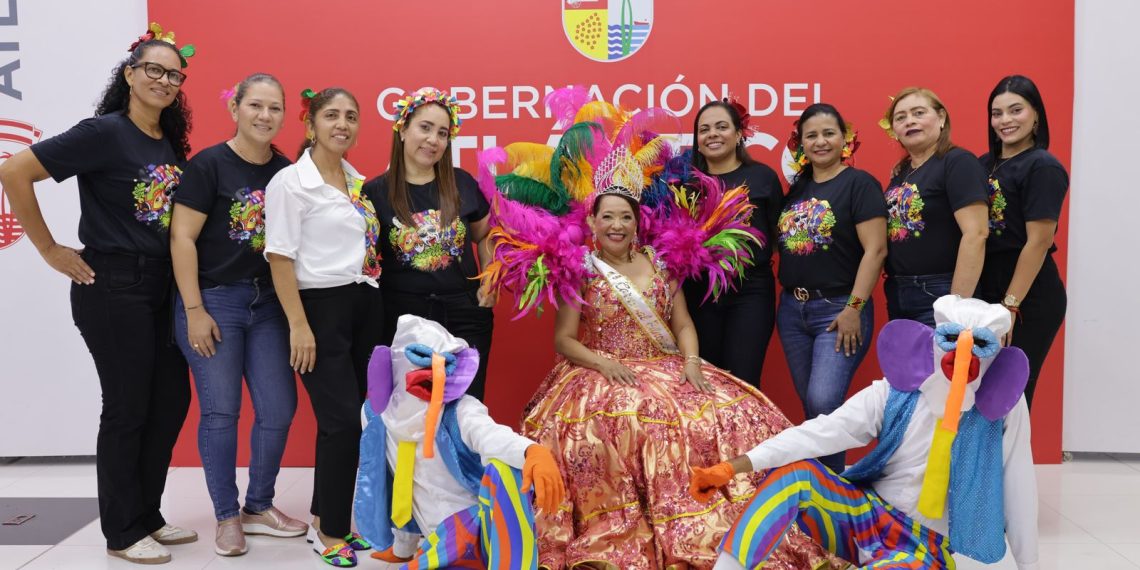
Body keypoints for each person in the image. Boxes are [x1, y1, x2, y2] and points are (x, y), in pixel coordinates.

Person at [477, 90, 836, 569]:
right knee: (628, 417)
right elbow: (563, 340)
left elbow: (683, 323)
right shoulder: (579, 269)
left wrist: (692, 363)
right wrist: (603, 362)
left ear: (637, 223)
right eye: (608, 216)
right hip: (599, 371)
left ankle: (748, 522)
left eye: (626, 216)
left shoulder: (662, 264)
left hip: (667, 364)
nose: (617, 224)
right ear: (594, 222)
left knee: (732, 415)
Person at [0, 23, 197, 564]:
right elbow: (14, 170)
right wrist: (49, 250)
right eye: (152, 69)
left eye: (173, 74)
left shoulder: (165, 142)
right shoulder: (104, 132)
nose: (162, 79)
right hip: (113, 286)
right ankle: (121, 530)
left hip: (161, 288)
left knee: (168, 403)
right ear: (129, 75)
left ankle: (147, 516)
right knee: (129, 406)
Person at [690, 296, 1040, 570]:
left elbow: (1018, 484)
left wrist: (1030, 565)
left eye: (978, 345)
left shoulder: (1004, 407)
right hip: (863, 515)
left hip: (924, 546)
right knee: (798, 476)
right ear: (934, 340)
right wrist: (735, 466)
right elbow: (823, 431)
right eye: (951, 341)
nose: (962, 358)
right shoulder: (895, 390)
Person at [169, 73, 305, 557]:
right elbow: (182, 238)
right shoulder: (209, 166)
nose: (265, 116)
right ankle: (227, 516)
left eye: (275, 108)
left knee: (278, 409)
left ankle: (258, 505)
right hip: (214, 300)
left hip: (267, 303)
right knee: (222, 411)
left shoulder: (287, 172)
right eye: (256, 106)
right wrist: (193, 310)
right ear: (236, 109)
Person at [264, 87, 382, 567]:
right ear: (310, 123)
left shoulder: (357, 182)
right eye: (331, 115)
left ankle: (324, 517)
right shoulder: (291, 182)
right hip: (318, 308)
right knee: (338, 423)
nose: (343, 124)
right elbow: (279, 256)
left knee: (354, 420)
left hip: (364, 304)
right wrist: (299, 325)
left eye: (351, 116)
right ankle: (331, 532)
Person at [363, 88, 496, 401]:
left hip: (465, 313)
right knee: (409, 413)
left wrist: (490, 275)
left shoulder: (462, 183)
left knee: (466, 411)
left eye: (442, 133)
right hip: (402, 318)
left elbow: (486, 235)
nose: (433, 140)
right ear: (403, 128)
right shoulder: (374, 193)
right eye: (425, 128)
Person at [776, 103, 888, 473]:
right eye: (811, 135)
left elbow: (876, 250)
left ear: (845, 139)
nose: (820, 141)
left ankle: (833, 491)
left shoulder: (859, 184)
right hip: (793, 311)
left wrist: (854, 307)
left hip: (838, 308)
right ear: (800, 144)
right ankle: (822, 488)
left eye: (829, 133)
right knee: (813, 408)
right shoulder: (797, 190)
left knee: (824, 401)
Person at [976, 74, 1068, 408]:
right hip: (987, 291)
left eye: (1016, 110)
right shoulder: (982, 164)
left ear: (1036, 116)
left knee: (1009, 400)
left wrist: (1010, 306)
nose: (1005, 121)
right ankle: (983, 463)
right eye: (997, 113)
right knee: (977, 397)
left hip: (1028, 297)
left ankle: (1009, 463)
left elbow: (1038, 243)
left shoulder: (1042, 166)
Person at [685, 98, 783, 387]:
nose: (712, 134)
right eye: (704, 130)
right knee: (704, 384)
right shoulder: (685, 183)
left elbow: (779, 235)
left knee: (744, 382)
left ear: (739, 134)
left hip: (750, 293)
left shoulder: (762, 177)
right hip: (698, 294)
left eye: (721, 127)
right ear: (697, 141)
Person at [881, 87, 989, 325]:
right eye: (900, 118)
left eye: (919, 113)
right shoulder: (902, 173)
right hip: (899, 292)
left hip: (941, 291)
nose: (910, 121)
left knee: (943, 364)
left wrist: (956, 306)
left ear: (941, 118)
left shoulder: (958, 162)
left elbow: (976, 234)